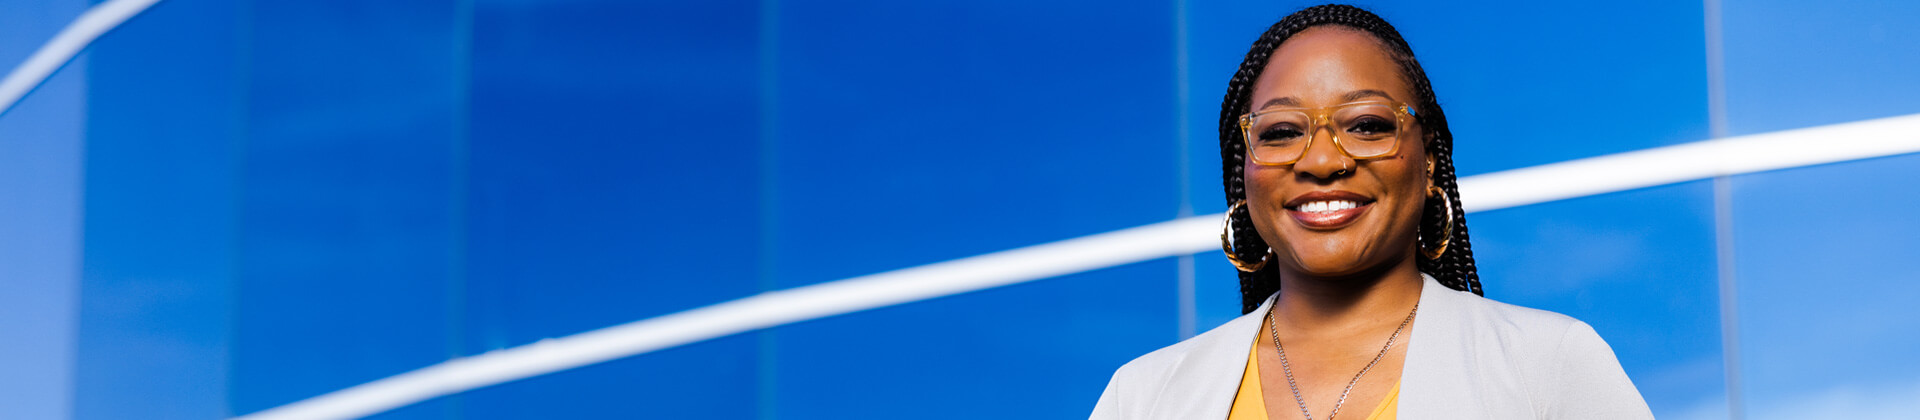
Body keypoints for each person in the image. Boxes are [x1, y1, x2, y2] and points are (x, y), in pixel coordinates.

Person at [1089, 5, 1652, 419]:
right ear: (1243, 174)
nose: (1322, 160)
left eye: (1367, 126)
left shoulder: (1547, 365)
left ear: (1430, 161)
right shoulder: (1143, 396)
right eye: (1282, 132)